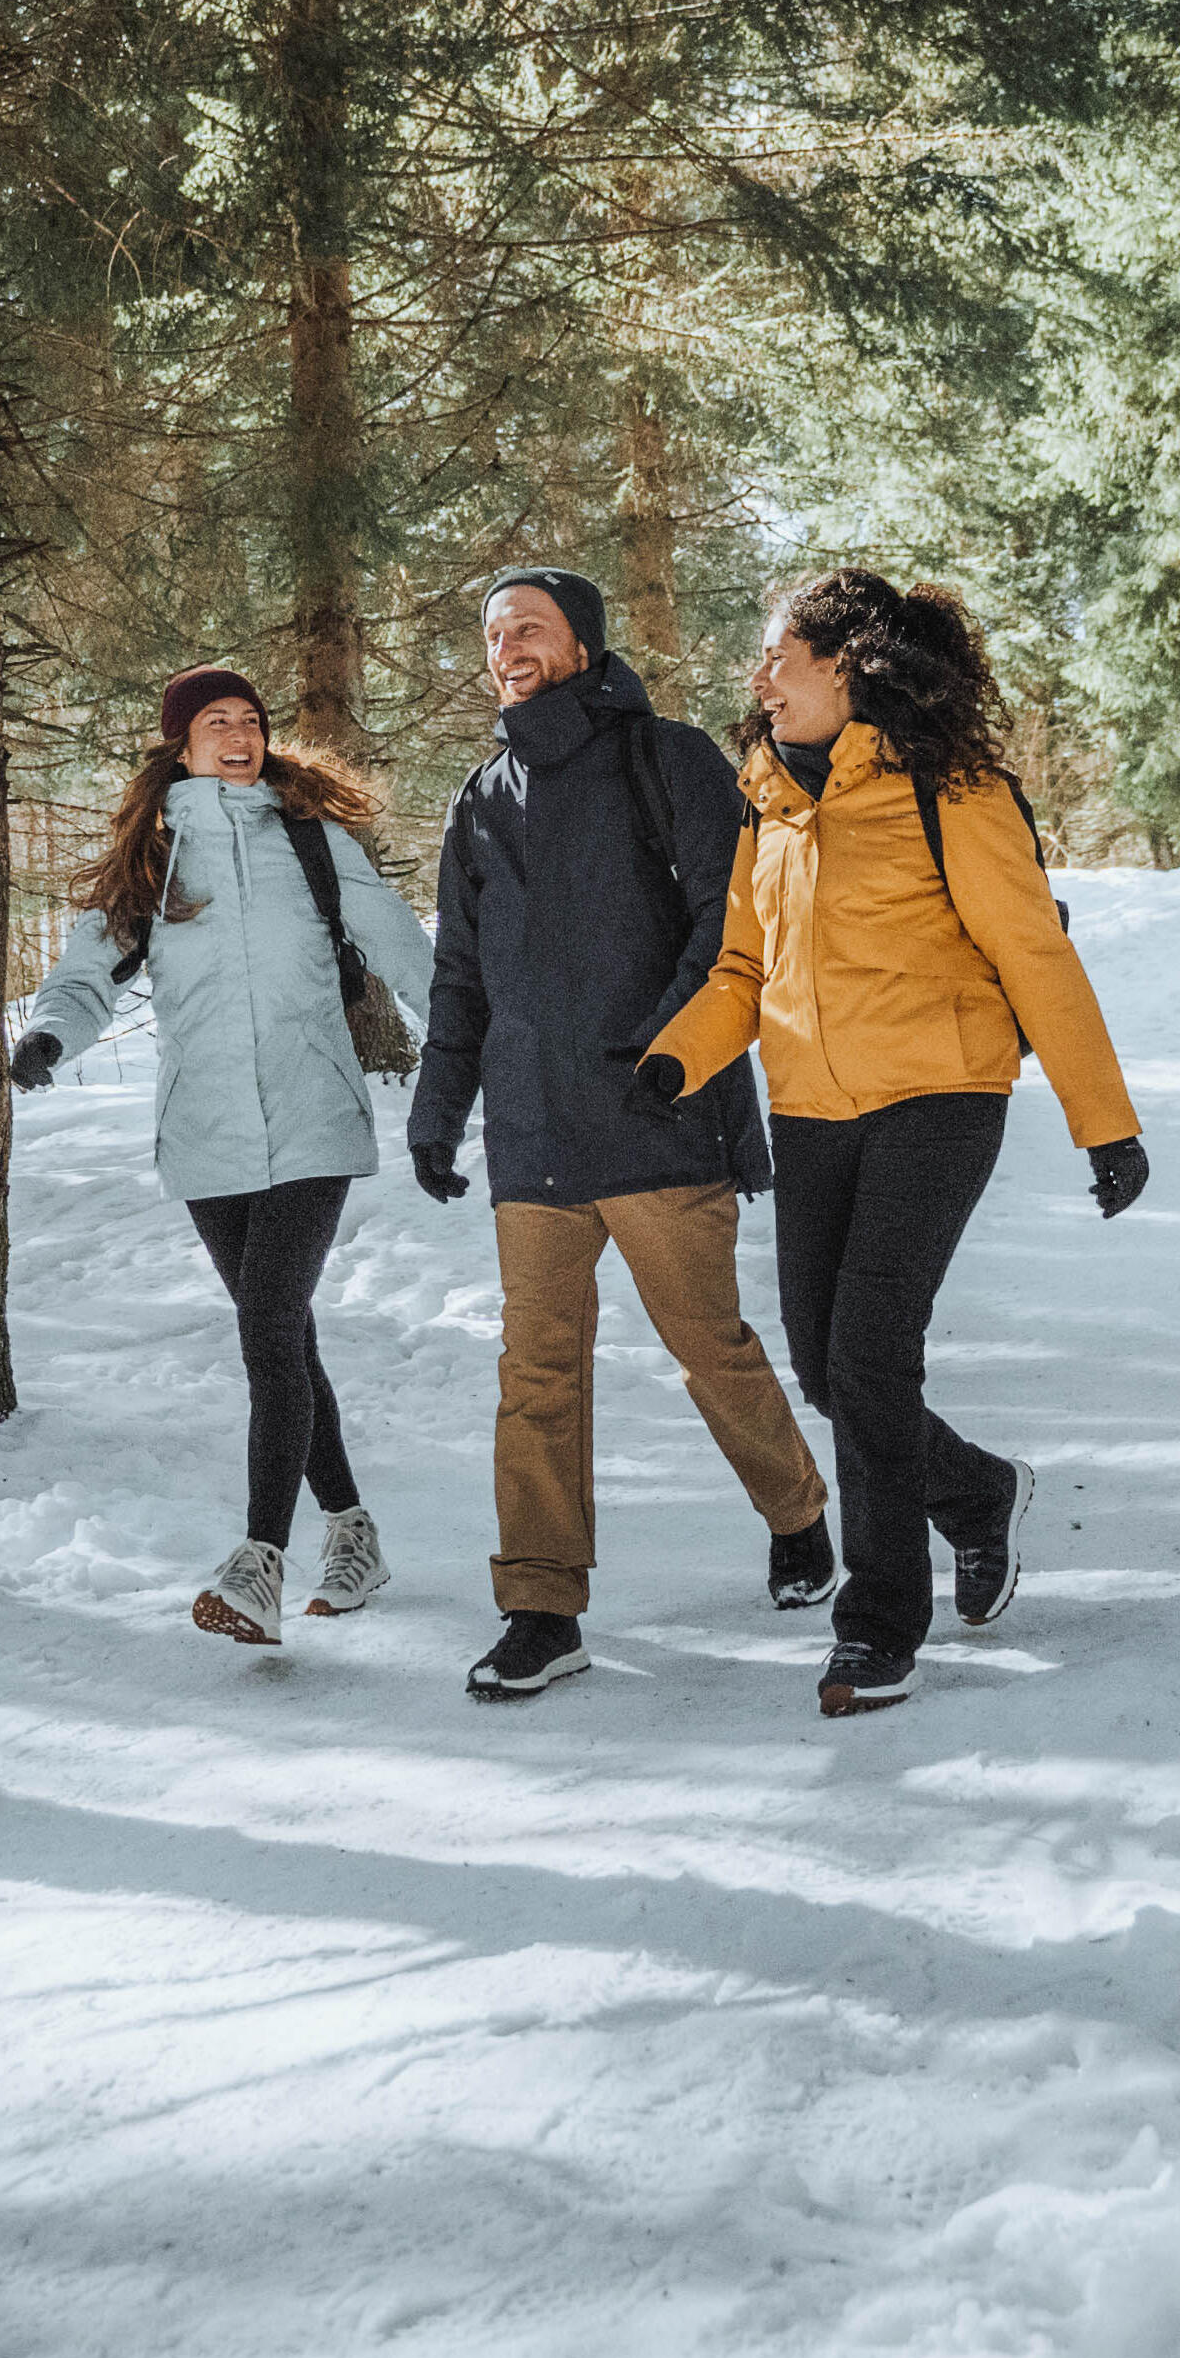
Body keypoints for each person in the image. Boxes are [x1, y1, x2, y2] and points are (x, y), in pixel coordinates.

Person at [639, 570, 1149, 1716]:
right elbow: (739, 971)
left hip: (939, 1096)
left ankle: (876, 1624)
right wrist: (674, 1061)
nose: (758, 678)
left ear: (847, 664)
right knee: (826, 1369)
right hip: (813, 1107)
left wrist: (1101, 1122)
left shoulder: (947, 791)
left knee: (869, 1357)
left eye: (781, 656)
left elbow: (1034, 957)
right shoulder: (765, 804)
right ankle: (972, 1497)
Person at [409, 567, 834, 1703]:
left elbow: (722, 922)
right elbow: (460, 972)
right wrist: (439, 1105)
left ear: (582, 647)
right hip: (533, 1131)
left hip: (655, 1116)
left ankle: (796, 1512)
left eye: (531, 628)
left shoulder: (668, 759)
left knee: (709, 1345)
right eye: (494, 632)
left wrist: (669, 1051)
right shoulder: (480, 797)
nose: (508, 647)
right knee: (533, 1373)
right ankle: (539, 1605)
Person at [14, 664, 438, 1646]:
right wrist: (48, 1039)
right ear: (180, 744)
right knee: (283, 1336)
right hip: (205, 1137)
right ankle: (354, 1531)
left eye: (250, 719)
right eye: (217, 723)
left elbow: (406, 954)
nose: (239, 734)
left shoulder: (313, 843)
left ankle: (257, 1563)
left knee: (266, 1330)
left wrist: (469, 1054)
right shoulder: (154, 863)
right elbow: (84, 976)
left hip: (312, 1123)